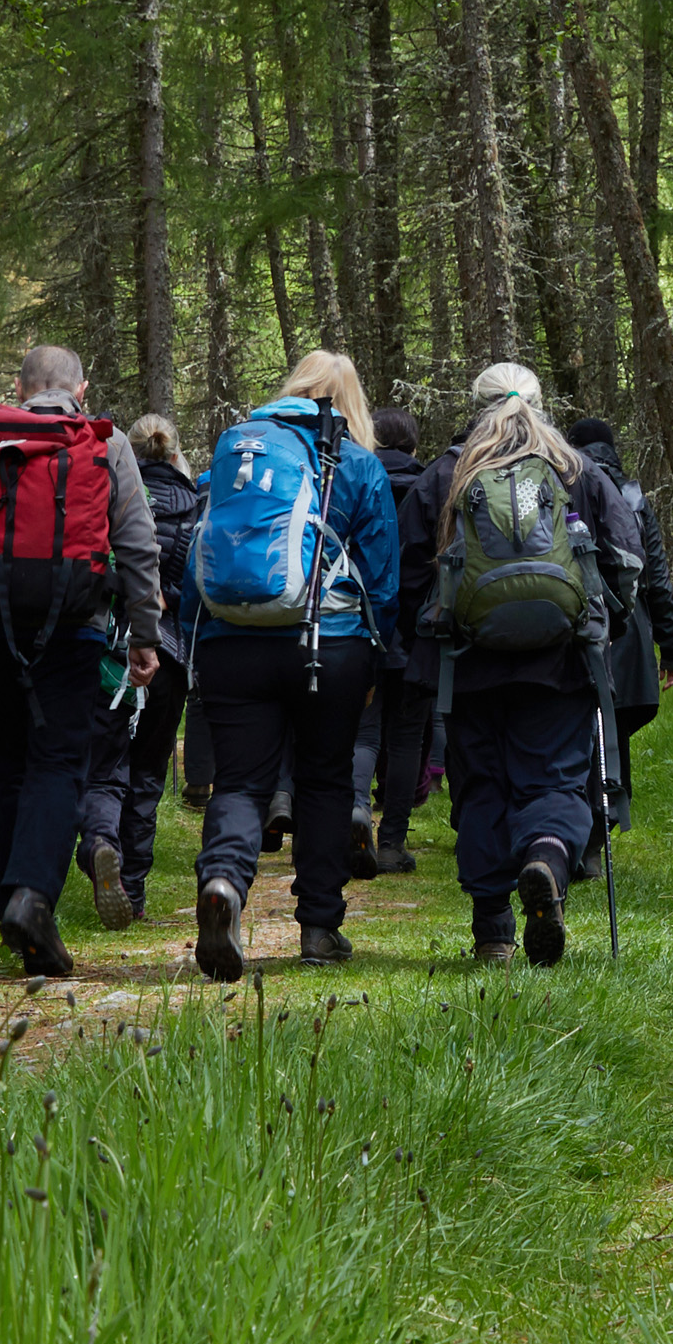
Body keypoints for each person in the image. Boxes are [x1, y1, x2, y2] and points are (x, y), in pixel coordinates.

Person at [0, 346, 161, 982]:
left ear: (20, 387)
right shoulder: (105, 442)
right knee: (58, 762)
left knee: (6, 767)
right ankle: (32, 900)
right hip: (73, 627)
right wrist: (144, 633)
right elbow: (135, 541)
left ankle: (16, 918)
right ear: (82, 385)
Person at [181, 348, 406, 982]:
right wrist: (374, 654)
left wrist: (191, 638)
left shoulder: (239, 456)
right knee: (326, 781)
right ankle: (319, 928)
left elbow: (198, 551)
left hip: (232, 640)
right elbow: (383, 580)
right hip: (329, 646)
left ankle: (224, 881)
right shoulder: (358, 465)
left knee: (242, 782)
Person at [421, 361, 620, 967]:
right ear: (541, 402)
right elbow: (626, 556)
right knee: (554, 781)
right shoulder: (577, 470)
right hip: (559, 663)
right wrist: (601, 627)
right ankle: (547, 861)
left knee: (482, 787)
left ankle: (493, 935)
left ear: (476, 406)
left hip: (468, 666)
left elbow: (408, 573)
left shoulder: (448, 476)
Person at [84, 412, 201, 926]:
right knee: (150, 772)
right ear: (176, 452)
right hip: (168, 654)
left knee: (104, 766)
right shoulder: (196, 504)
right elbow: (201, 585)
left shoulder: (107, 489)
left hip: (106, 651)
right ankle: (131, 888)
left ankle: (98, 845)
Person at [563, 410, 673, 778]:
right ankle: (612, 804)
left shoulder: (562, 486)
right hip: (628, 627)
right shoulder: (634, 498)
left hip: (577, 620)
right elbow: (656, 579)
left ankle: (578, 811)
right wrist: (671, 651)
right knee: (615, 727)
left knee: (578, 721)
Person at [363, 404, 444, 872]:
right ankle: (391, 840)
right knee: (407, 736)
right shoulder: (430, 486)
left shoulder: (356, 480)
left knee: (364, 732)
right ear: (413, 446)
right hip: (415, 631)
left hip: (363, 626)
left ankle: (355, 812)